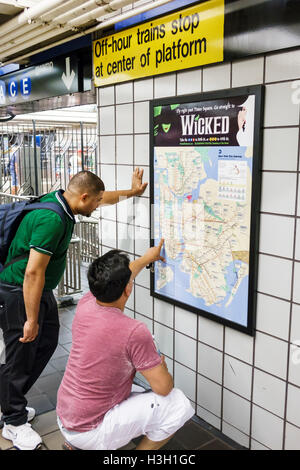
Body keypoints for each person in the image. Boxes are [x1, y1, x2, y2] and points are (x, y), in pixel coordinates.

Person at [0, 168, 147, 450]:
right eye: (95, 201)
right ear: (83, 197)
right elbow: (33, 272)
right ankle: (13, 421)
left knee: (47, 342)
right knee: (23, 351)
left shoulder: (65, 202)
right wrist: (31, 318)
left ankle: (10, 399)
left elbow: (105, 197)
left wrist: (132, 193)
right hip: (20, 291)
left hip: (37, 292)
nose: (98, 205)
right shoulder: (52, 219)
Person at [56, 243, 194, 450]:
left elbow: (122, 278)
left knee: (137, 390)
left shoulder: (87, 302)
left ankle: (78, 445)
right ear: (128, 289)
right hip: (90, 430)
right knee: (177, 404)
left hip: (66, 415)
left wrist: (147, 258)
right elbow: (164, 388)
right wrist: (161, 365)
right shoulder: (134, 331)